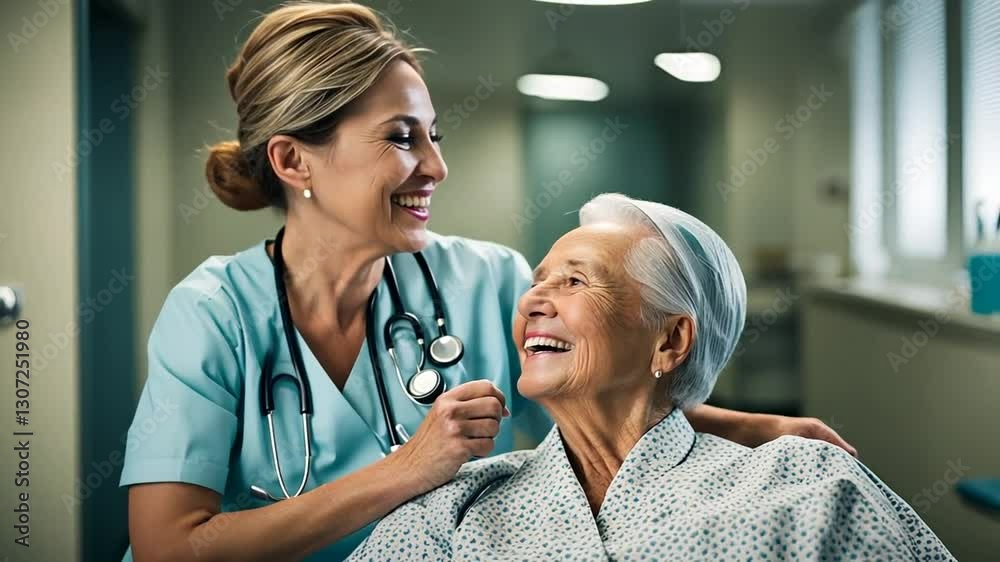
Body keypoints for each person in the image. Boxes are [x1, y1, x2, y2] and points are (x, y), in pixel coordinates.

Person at [119, 3, 855, 561]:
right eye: (402, 137)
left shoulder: (484, 278)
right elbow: (168, 546)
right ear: (293, 161)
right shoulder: (213, 313)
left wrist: (758, 428)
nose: (435, 168)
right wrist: (409, 468)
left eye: (434, 134)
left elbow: (605, 390)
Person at [348, 194, 954, 562]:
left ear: (670, 340)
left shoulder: (808, 483)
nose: (533, 299)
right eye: (539, 279)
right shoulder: (453, 505)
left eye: (576, 280)